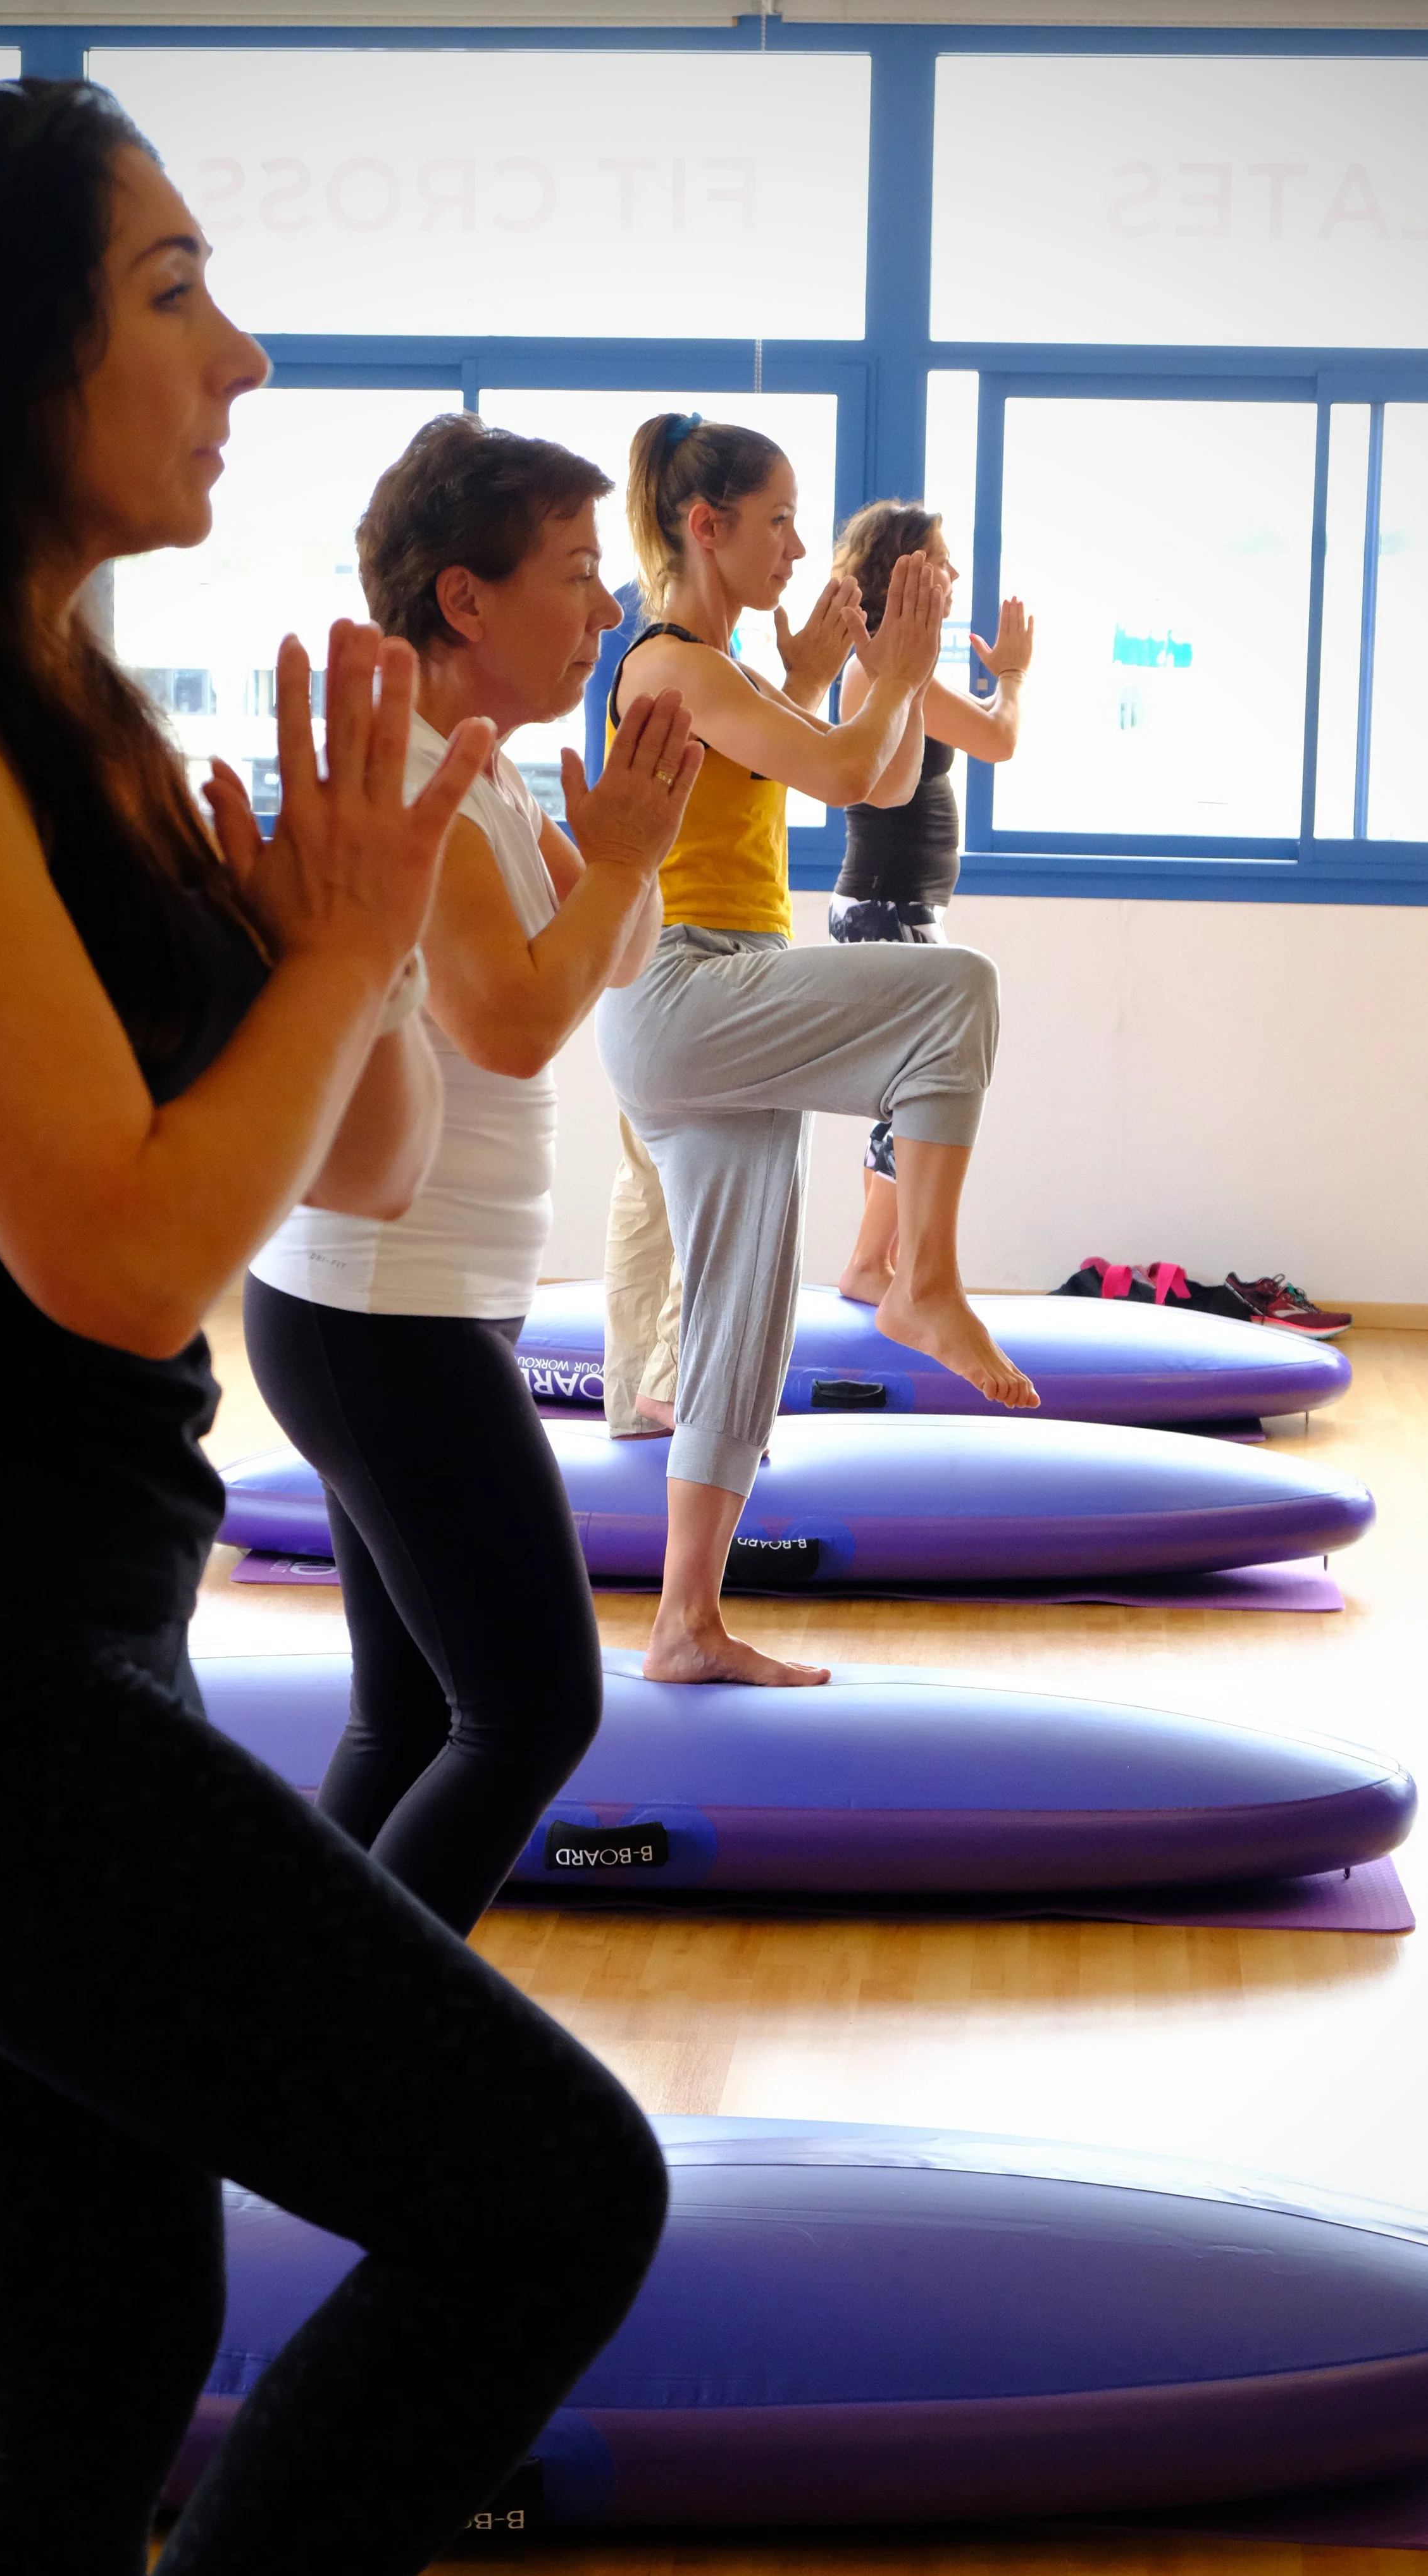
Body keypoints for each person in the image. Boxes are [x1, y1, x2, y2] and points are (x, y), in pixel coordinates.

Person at [0, 78, 666, 2576]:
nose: (247, 350)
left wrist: (342, 906)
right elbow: (108, 1250)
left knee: (94, 2378)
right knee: (553, 2195)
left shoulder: (66, 699)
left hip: (67, 1621)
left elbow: (363, 1148)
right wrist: (326, 944)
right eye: (177, 285)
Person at [240, 411, 701, 1936]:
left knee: (414, 1715)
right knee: (527, 1712)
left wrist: (626, 851)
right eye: (574, 573)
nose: (604, 611)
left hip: (406, 1302)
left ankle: (286, 2033)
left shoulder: (483, 769)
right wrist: (622, 862)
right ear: (464, 599)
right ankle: (365, 2062)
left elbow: (605, 969)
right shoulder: (418, 778)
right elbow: (510, 1025)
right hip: (383, 1310)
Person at [595, 412, 1038, 1691]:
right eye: (777, 520)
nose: (799, 544)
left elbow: (867, 776)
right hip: (685, 983)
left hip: (706, 1000)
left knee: (740, 1329)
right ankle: (921, 1284)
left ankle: (684, 1622)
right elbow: (849, 769)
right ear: (705, 525)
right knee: (954, 990)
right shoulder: (674, 662)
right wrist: (888, 670)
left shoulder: (718, 665)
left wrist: (845, 669)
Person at [827, 498, 1033, 1303]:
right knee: (919, 1088)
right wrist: (1012, 675)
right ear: (900, 571)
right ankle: (873, 1266)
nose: (953, 573)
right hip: (886, 906)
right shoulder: (883, 668)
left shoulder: (895, 667)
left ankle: (878, 1263)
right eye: (939, 558)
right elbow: (998, 737)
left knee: (913, 1087)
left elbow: (983, 731)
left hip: (893, 905)